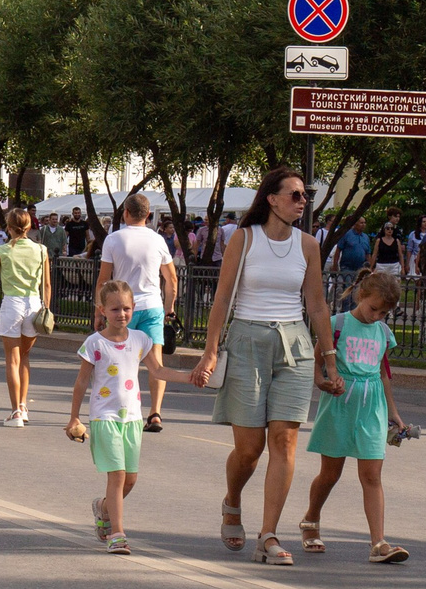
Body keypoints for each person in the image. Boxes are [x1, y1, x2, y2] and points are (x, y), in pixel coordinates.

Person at [195, 166, 345, 566]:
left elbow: (317, 305)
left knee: (284, 440)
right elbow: (223, 298)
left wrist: (330, 361)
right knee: (249, 450)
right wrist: (211, 350)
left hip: (294, 344)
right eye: (295, 194)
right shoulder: (244, 239)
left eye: (305, 196)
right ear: (272, 199)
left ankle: (268, 535)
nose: (302, 202)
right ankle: (232, 500)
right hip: (247, 340)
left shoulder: (308, 245)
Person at [64, 280, 200, 557]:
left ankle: (103, 508)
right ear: (102, 310)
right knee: (117, 475)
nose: (121, 314)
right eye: (114, 309)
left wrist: (190, 377)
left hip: (133, 419)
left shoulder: (140, 339)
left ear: (134, 308)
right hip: (104, 418)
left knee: (131, 479)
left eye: (126, 308)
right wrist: (74, 418)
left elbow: (158, 371)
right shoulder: (95, 343)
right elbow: (81, 382)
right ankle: (117, 534)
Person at [299, 270, 412, 564]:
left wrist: (393, 413)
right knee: (330, 474)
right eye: (374, 309)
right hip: (340, 405)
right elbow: (317, 362)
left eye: (383, 313)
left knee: (372, 475)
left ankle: (379, 543)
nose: (377, 316)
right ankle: (311, 520)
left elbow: (384, 374)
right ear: (361, 295)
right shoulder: (336, 324)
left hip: (371, 406)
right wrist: (322, 382)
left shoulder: (383, 333)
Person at [97, 194, 180, 432]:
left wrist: (99, 312)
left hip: (123, 307)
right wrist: (169, 307)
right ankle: (155, 413)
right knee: (156, 362)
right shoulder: (158, 240)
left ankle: (121, 410)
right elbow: (171, 279)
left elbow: (103, 280)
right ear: (148, 215)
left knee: (122, 360)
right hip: (152, 306)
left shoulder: (114, 239)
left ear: (125, 213)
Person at [0, 204, 53, 427]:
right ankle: (24, 406)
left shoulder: (2, 251)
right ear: (28, 227)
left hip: (12, 304)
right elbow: (46, 284)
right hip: (34, 303)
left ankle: (15, 411)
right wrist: (46, 307)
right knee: (25, 357)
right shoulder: (41, 250)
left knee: (12, 359)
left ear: (8, 227)